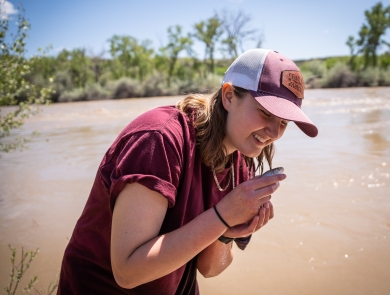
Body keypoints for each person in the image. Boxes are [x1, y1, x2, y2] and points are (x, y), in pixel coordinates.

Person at [57, 48, 318, 295]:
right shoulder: (158, 139)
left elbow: (209, 268)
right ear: (228, 96)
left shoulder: (241, 156)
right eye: (265, 112)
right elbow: (128, 271)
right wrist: (224, 215)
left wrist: (225, 232)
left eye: (284, 122)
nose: (274, 133)